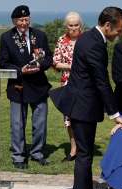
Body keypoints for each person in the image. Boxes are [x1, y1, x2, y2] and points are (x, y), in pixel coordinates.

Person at [49, 7, 122, 189]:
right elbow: (101, 81)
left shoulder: (89, 38)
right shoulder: (94, 44)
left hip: (81, 104)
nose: (120, 34)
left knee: (85, 155)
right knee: (84, 157)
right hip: (82, 106)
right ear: (107, 25)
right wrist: (115, 114)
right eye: (119, 30)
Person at [0, 5, 52, 169]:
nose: (24, 22)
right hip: (18, 85)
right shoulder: (6, 37)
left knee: (40, 123)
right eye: (21, 20)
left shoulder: (40, 35)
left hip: (39, 85)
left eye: (26, 19)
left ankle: (37, 153)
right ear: (15, 21)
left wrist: (40, 66)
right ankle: (18, 156)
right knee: (17, 124)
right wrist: (20, 70)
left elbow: (48, 58)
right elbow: (3, 63)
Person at [53, 11, 83, 161]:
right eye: (70, 25)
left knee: (83, 116)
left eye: (76, 25)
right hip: (67, 83)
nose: (73, 28)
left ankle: (83, 147)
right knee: (68, 118)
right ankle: (73, 148)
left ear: (80, 25)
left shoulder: (87, 40)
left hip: (85, 83)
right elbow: (56, 62)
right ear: (66, 26)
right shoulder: (61, 40)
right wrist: (73, 66)